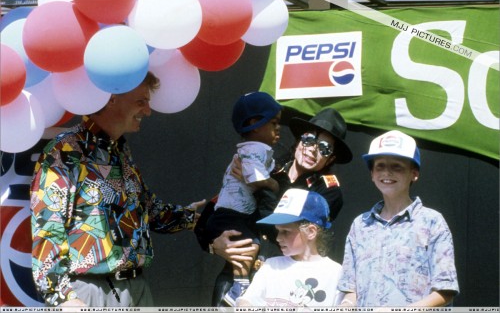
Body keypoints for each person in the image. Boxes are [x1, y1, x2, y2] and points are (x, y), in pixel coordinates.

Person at [30, 71, 205, 307]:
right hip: (90, 293)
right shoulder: (65, 151)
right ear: (112, 98)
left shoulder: (120, 151)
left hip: (137, 289)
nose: (148, 111)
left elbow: (148, 210)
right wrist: (64, 299)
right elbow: (48, 229)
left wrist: (195, 216)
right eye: (141, 101)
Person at [200, 108, 353, 306]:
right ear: (299, 140)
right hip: (236, 276)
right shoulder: (265, 163)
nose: (313, 149)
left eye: (324, 148)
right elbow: (216, 212)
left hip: (283, 286)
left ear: (331, 159)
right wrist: (213, 246)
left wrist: (263, 185)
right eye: (308, 139)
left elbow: (283, 231)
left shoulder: (327, 191)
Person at [337, 130, 459, 307]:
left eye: (397, 166)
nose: (387, 172)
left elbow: (445, 290)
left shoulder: (432, 221)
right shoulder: (360, 225)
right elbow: (350, 288)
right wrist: (346, 305)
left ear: (414, 173)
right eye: (380, 166)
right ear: (372, 174)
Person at [204, 91, 282, 306]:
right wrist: (272, 184)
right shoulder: (253, 150)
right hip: (232, 216)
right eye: (273, 122)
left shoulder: (265, 154)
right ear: (255, 124)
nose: (278, 129)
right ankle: (239, 286)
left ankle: (241, 285)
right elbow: (255, 180)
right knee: (248, 247)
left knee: (252, 245)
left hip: (276, 284)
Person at [236, 188, 342, 307]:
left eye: (285, 232)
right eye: (278, 231)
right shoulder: (270, 266)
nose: (278, 238)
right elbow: (247, 301)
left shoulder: (336, 273)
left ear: (311, 232)